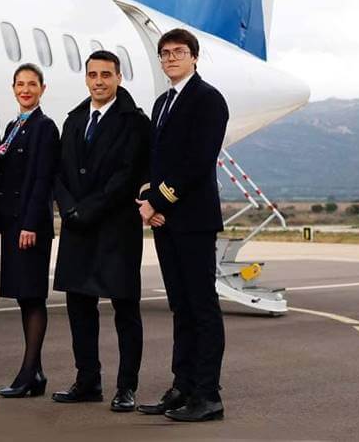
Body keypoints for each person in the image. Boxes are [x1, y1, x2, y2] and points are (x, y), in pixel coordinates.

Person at [136, 28, 229, 422]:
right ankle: (183, 386)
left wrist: (158, 201)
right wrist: (148, 200)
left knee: (202, 307)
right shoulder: (162, 103)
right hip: (165, 221)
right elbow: (156, 161)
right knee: (180, 307)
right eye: (165, 53)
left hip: (193, 220)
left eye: (179, 52)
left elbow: (197, 161)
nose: (171, 58)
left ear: (194, 57)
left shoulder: (209, 100)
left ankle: (208, 395)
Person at [50, 50, 151, 412]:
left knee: (125, 308)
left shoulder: (135, 122)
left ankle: (126, 387)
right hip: (78, 226)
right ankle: (87, 380)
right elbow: (60, 171)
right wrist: (69, 207)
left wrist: (86, 209)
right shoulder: (74, 120)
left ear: (119, 78)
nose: (99, 81)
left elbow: (126, 175)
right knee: (79, 307)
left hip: (115, 228)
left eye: (106, 75)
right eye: (93, 75)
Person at [0, 63, 60, 398]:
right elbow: (5, 178)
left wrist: (30, 223)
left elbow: (43, 179)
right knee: (22, 296)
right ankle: (36, 372)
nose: (26, 90)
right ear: (13, 88)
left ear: (43, 89)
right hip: (13, 223)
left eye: (32, 84)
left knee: (32, 297)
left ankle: (28, 374)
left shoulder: (45, 128)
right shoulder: (14, 126)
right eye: (20, 84)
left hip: (31, 225)